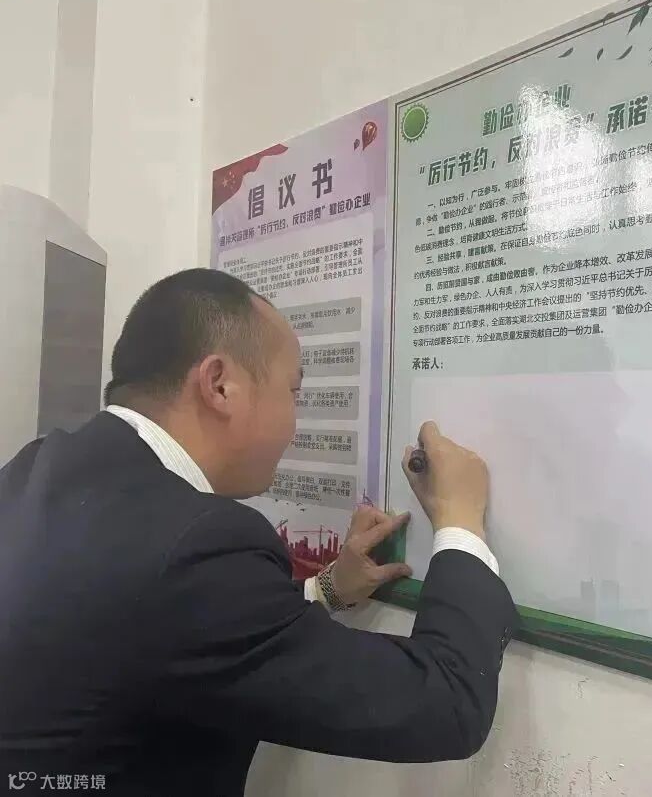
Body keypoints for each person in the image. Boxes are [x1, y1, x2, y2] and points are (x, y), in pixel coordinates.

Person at [0, 269, 516, 797]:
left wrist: (327, 590)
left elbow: (166, 631)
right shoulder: (197, 542)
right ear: (220, 385)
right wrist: (460, 521)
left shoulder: (36, 468)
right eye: (293, 391)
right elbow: (446, 703)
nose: (294, 420)